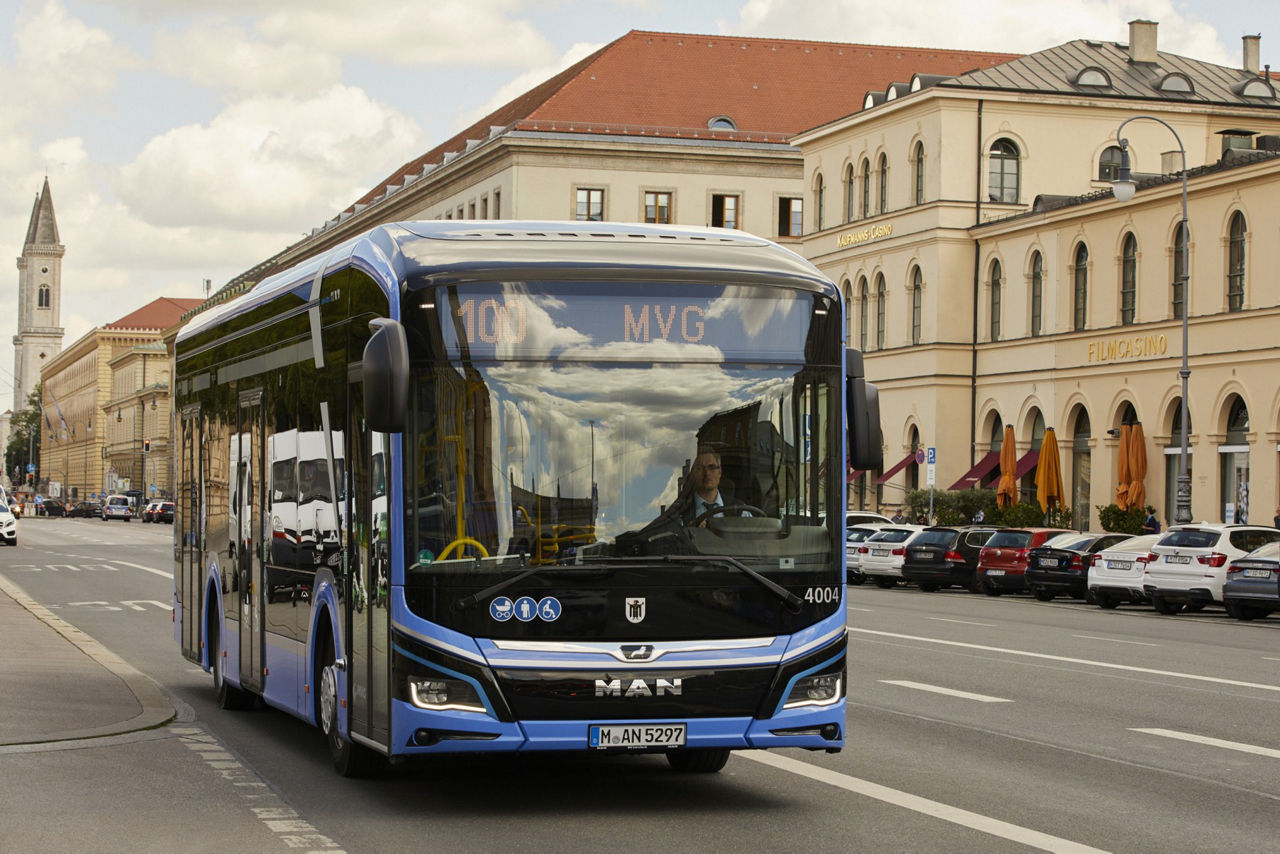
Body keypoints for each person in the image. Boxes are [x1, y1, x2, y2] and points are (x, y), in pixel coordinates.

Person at [682, 448, 749, 525]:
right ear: (693, 474)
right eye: (700, 468)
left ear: (720, 472)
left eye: (711, 467)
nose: (707, 473)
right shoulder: (681, 514)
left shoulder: (740, 511)